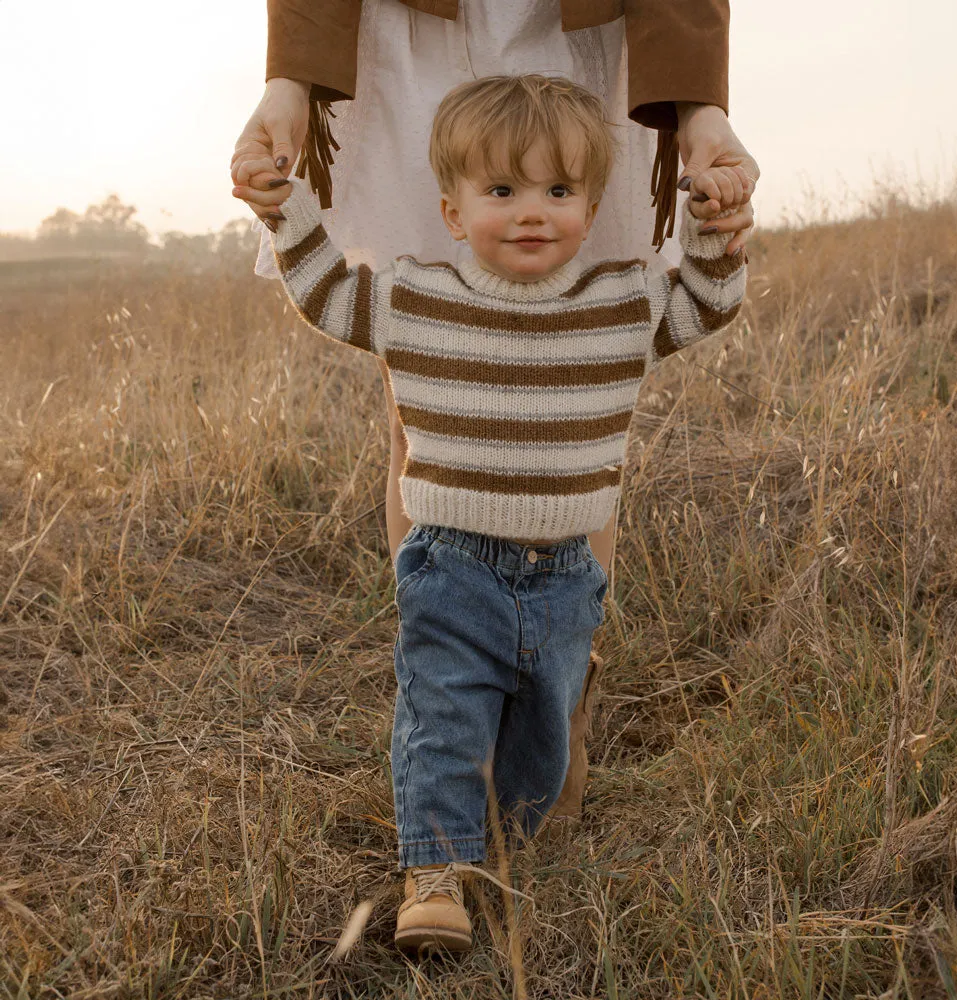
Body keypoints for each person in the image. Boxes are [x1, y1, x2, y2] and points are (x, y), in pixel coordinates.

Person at [231, 0, 758, 823]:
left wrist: (700, 105)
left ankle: (557, 714)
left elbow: (696, 304)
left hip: (588, 29)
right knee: (421, 400)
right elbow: (336, 294)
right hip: (410, 32)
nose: (531, 205)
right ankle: (448, 720)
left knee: (580, 394)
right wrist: (289, 78)